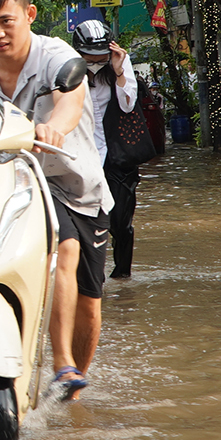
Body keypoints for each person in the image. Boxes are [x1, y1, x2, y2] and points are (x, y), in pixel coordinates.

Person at [0, 0, 112, 401]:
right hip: (12, 183)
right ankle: (58, 362)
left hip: (75, 185)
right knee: (60, 246)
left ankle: (73, 384)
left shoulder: (56, 57)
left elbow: (71, 102)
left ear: (29, 14)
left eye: (5, 21)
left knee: (90, 298)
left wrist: (53, 129)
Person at [73, 20, 139, 279]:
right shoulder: (67, 69)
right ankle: (89, 277)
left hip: (117, 155)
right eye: (90, 58)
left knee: (121, 222)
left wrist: (119, 70)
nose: (96, 62)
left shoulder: (119, 64)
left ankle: (122, 277)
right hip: (81, 155)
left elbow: (127, 105)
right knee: (84, 221)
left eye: (102, 56)